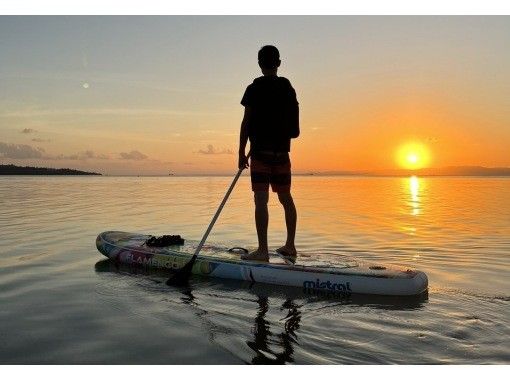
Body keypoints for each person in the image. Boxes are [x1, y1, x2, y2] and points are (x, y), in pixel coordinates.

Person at [238, 45, 300, 262]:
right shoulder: (287, 87)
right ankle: (290, 246)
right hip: (282, 153)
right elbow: (295, 128)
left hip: (261, 154)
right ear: (279, 63)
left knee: (261, 201)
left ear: (259, 64)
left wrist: (241, 153)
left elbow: (246, 122)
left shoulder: (253, 89)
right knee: (286, 198)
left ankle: (262, 250)